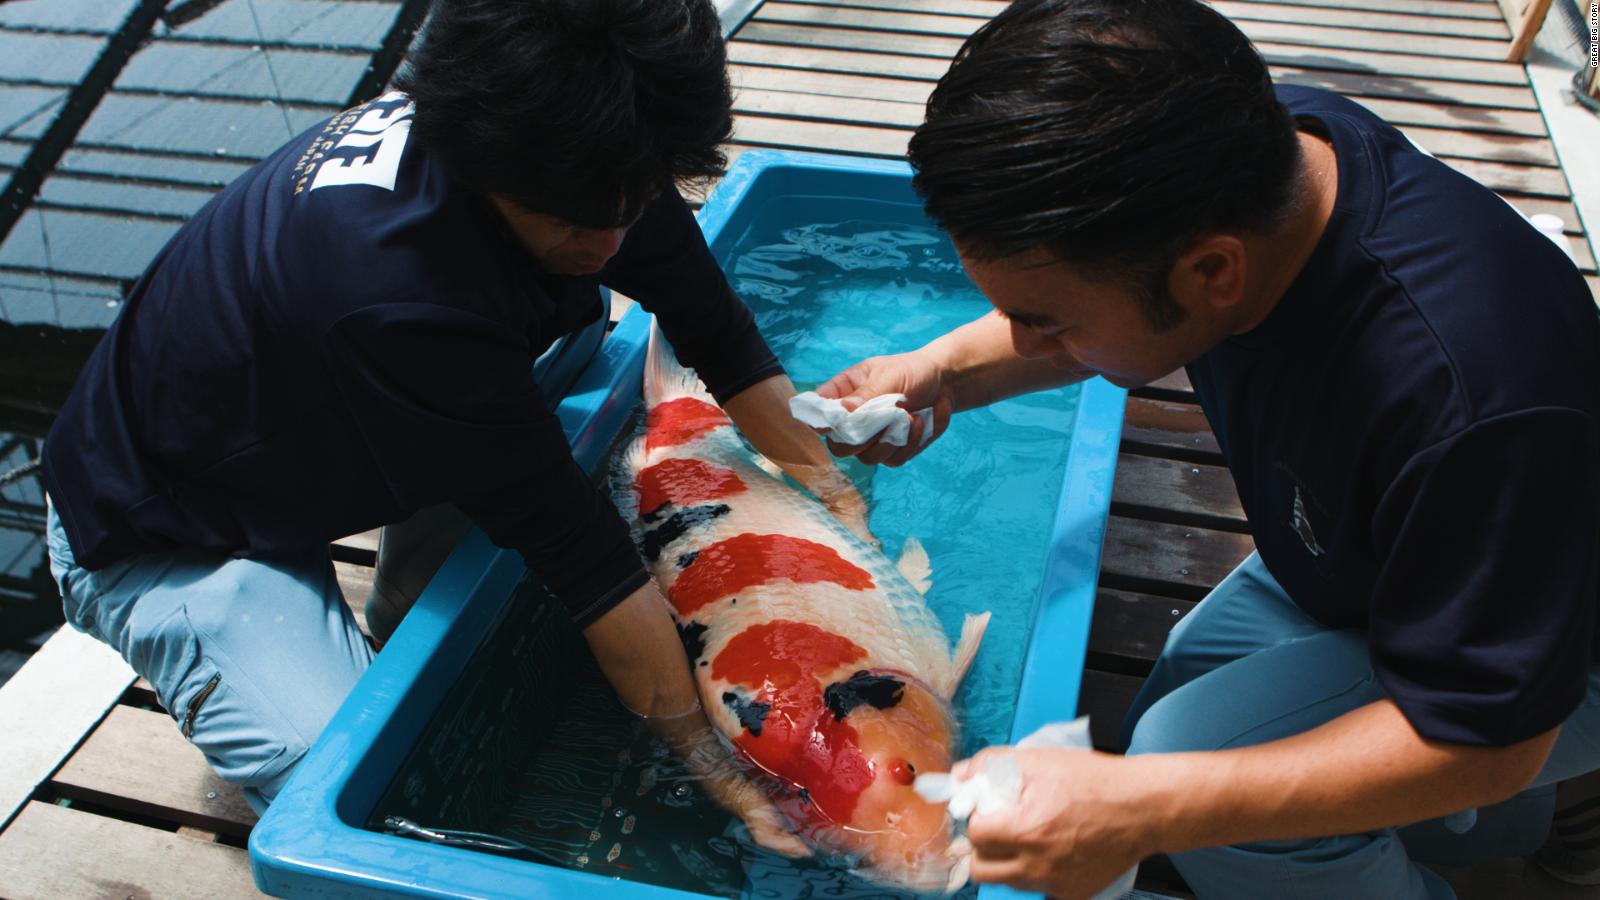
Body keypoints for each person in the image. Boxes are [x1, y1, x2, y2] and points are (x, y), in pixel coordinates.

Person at [40, 0, 865, 854]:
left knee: (571, 332)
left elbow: (715, 329)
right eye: (578, 221)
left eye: (634, 203)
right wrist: (713, 765)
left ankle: (408, 605)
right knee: (358, 787)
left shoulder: (598, 145)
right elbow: (588, 567)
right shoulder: (401, 287)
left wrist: (834, 493)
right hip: (171, 524)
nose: (609, 239)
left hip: (324, 417)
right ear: (482, 168)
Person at [813, 0, 1600, 895]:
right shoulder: (1244, 156)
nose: (1022, 342)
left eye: (1048, 322)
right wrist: (940, 369)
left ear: (1215, 273)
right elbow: (1093, 319)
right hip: (1375, 556)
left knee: (1185, 766)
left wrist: (1153, 805)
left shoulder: (1469, 401)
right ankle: (1546, 822)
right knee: (1183, 691)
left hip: (1560, 646)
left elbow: (1488, 737)